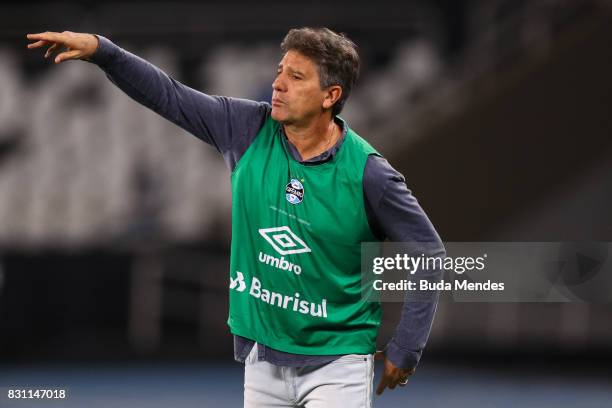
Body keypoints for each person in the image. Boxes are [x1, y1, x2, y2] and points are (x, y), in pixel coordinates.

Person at [26, 27, 445, 407]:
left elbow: (429, 251)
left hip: (337, 364)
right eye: (281, 71)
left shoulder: (370, 174)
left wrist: (407, 346)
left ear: (330, 96)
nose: (277, 84)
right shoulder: (246, 128)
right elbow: (169, 95)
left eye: (296, 78)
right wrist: (104, 52)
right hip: (262, 363)